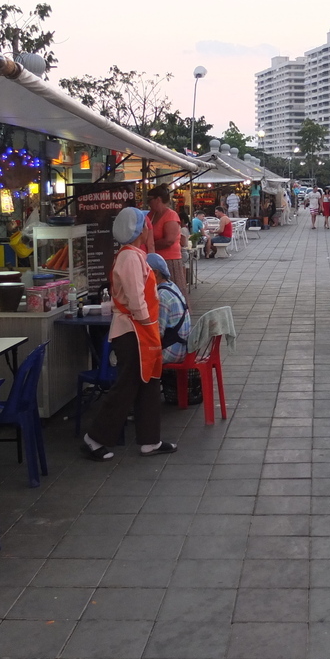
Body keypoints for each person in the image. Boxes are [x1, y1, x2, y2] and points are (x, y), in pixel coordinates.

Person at [81, 207, 176, 461]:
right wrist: (148, 324)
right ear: (138, 230)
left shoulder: (133, 255)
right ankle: (94, 439)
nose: (148, 228)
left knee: (148, 382)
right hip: (134, 331)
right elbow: (136, 300)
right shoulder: (131, 258)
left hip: (139, 330)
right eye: (146, 224)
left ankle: (150, 440)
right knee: (127, 386)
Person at [147, 253, 190, 362]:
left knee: (133, 356)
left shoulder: (162, 296)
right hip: (181, 346)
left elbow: (158, 334)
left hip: (172, 351)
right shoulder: (172, 286)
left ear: (155, 273)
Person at [147, 184, 187, 296]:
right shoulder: (151, 215)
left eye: (150, 200)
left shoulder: (170, 215)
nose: (148, 203)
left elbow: (169, 240)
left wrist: (151, 245)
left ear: (158, 199)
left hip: (169, 260)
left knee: (171, 292)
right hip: (155, 259)